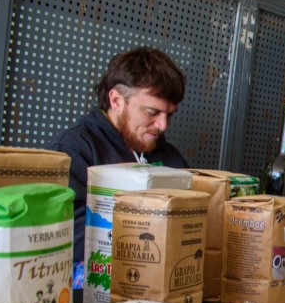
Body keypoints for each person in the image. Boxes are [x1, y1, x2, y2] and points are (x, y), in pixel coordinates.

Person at [48, 47, 189, 264]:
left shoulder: (171, 158)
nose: (162, 125)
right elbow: (63, 232)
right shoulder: (74, 149)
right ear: (116, 100)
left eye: (169, 115)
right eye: (152, 112)